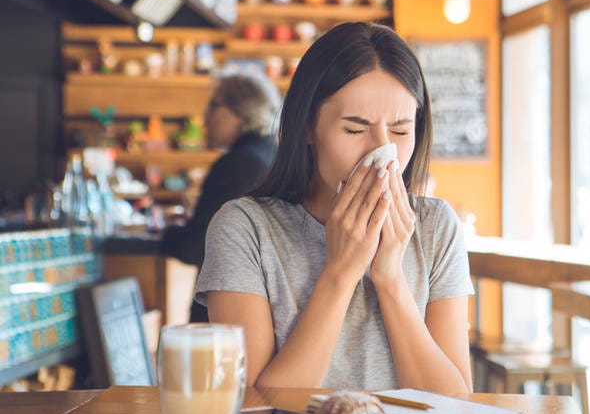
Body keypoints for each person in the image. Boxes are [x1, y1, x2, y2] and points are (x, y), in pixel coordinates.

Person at [195, 22, 474, 393]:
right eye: (355, 130)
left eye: (401, 131)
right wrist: (341, 272)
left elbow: (454, 403)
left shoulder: (436, 228)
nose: (381, 152)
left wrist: (390, 277)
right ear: (308, 128)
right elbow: (256, 405)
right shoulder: (244, 229)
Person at [161, 74, 280, 322]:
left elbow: (196, 246)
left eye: (214, 105)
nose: (205, 117)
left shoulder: (241, 163)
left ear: (241, 112)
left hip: (226, 313)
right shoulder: (272, 153)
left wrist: (168, 232)